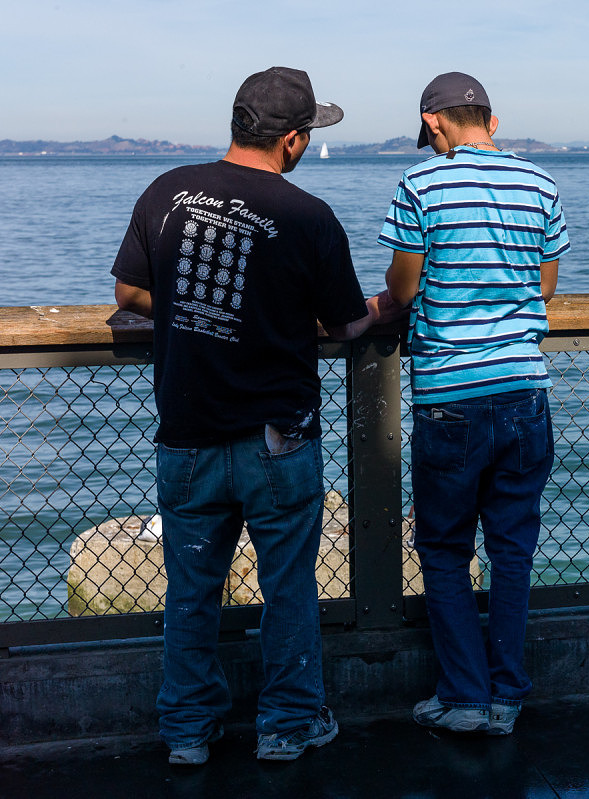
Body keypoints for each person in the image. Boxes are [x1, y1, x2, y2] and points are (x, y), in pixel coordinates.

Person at [112, 66, 398, 764]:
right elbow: (343, 326)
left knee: (191, 590)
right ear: (294, 140)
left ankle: (185, 732)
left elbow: (128, 291)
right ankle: (288, 724)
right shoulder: (309, 217)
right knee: (289, 585)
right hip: (279, 436)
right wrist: (387, 308)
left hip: (185, 435)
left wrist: (195, 312)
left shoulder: (165, 192)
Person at [378, 72, 569, 735]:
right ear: (491, 117)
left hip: (450, 396)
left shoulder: (420, 185)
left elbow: (402, 288)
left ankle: (464, 695)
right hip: (524, 390)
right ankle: (508, 694)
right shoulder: (540, 185)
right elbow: (543, 285)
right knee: (512, 550)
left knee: (443, 547)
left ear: (433, 122)